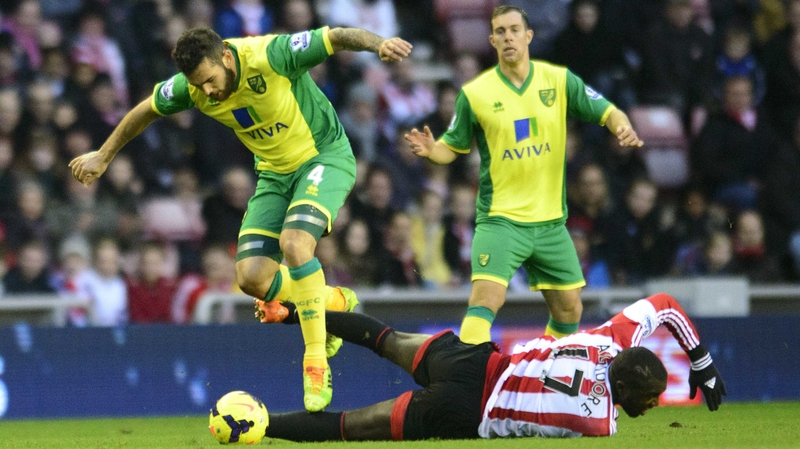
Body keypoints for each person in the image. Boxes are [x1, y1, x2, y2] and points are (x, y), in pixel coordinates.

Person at [68, 24, 412, 412]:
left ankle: (315, 360)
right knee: (251, 278)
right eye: (200, 85)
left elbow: (335, 38)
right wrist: (104, 154)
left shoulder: (270, 55)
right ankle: (333, 300)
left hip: (323, 158)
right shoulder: (193, 88)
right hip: (274, 176)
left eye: (211, 80)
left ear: (227, 58)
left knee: (296, 243)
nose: (209, 91)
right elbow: (146, 109)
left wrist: (379, 44)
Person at [404, 5, 643, 344]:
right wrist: (432, 151)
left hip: (550, 223)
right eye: (500, 32)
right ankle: (466, 384)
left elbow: (607, 110)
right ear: (492, 40)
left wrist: (622, 127)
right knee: (486, 300)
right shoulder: (475, 94)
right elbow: (452, 146)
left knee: (569, 310)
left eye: (514, 29)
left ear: (528, 36)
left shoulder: (558, 81)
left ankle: (544, 376)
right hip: (501, 220)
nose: (508, 37)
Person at [262, 292, 725, 441]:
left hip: (475, 360)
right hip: (469, 410)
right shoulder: (600, 424)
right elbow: (609, 405)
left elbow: (663, 305)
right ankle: (262, 426)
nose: (651, 406)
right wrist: (702, 367)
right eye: (647, 399)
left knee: (386, 337)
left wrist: (699, 362)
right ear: (622, 388)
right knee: (354, 426)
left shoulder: (611, 340)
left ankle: (288, 312)